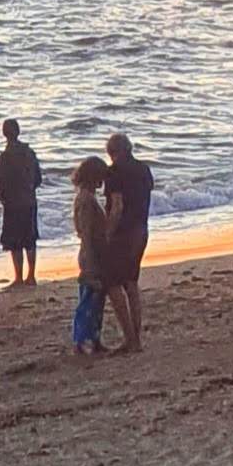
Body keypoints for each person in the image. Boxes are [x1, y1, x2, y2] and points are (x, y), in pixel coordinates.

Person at [102, 132, 154, 354]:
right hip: (141, 229)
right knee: (131, 283)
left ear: (113, 153)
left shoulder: (114, 173)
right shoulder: (144, 169)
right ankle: (136, 338)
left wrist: (107, 233)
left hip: (123, 233)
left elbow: (117, 206)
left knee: (112, 284)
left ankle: (130, 338)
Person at [68, 156, 111, 355]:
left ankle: (93, 338)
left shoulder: (87, 197)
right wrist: (90, 257)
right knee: (89, 298)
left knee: (97, 298)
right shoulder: (86, 200)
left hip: (95, 250)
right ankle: (81, 340)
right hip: (91, 252)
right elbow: (86, 231)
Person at [0, 119, 43, 288]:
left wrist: (2, 197)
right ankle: (31, 276)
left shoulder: (5, 156)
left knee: (15, 241)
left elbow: (0, 182)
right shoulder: (29, 152)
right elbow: (38, 178)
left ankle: (19, 277)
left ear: (4, 134)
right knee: (30, 239)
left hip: (12, 203)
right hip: (29, 200)